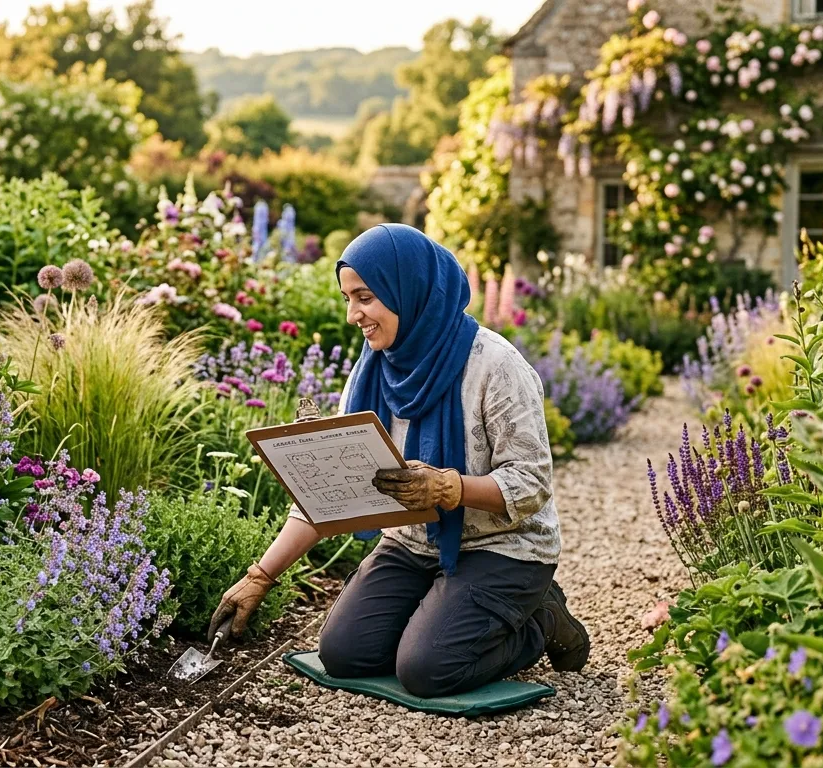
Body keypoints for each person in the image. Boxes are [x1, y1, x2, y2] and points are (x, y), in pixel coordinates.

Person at [209, 223, 589, 698]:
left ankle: (543, 618)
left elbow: (531, 483)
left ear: (407, 290)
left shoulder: (495, 365)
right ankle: (443, 611)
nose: (352, 315)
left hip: (503, 546)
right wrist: (259, 577)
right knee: (344, 653)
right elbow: (331, 490)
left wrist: (450, 488)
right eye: (347, 299)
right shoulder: (371, 371)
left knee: (427, 669)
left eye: (365, 298)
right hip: (412, 542)